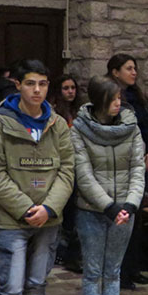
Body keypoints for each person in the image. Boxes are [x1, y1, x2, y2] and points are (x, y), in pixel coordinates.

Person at [0, 59, 74, 295]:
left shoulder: (57, 123)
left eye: (43, 84)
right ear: (18, 85)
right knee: (11, 287)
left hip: (48, 218)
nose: (37, 90)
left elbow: (67, 169)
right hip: (12, 219)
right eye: (31, 83)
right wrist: (24, 208)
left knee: (37, 283)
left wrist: (49, 207)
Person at [71, 76, 145, 295]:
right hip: (92, 211)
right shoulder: (79, 130)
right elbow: (83, 174)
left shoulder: (131, 127)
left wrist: (130, 203)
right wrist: (108, 206)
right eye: (114, 98)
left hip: (125, 209)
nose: (119, 102)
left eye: (120, 98)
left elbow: (138, 167)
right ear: (101, 100)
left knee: (113, 271)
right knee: (93, 272)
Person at [106, 54, 148, 288]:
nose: (134, 72)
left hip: (141, 158)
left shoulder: (138, 96)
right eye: (128, 68)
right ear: (115, 72)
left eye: (135, 68)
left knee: (137, 216)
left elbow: (147, 126)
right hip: (121, 163)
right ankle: (120, 272)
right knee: (121, 217)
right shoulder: (110, 96)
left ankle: (134, 267)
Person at [50, 74, 83, 273]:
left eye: (72, 87)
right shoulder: (55, 114)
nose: (70, 91)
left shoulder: (80, 112)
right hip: (61, 166)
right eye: (65, 88)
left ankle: (73, 253)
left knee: (75, 213)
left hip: (78, 165)